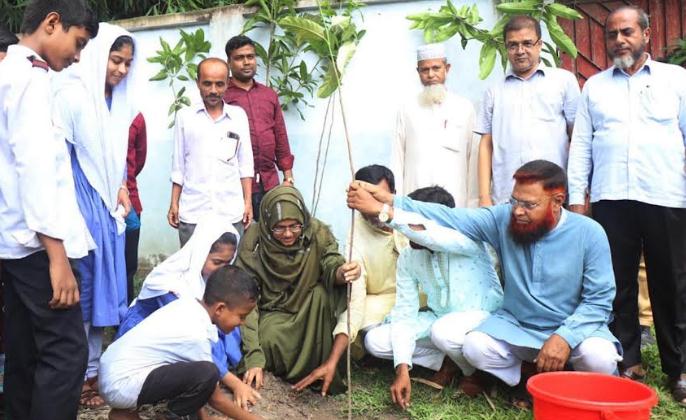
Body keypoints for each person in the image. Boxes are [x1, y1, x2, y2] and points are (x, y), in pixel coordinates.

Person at [348, 160, 621, 408]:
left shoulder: (590, 233)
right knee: (475, 346)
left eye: (529, 204)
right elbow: (448, 217)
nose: (518, 211)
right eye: (514, 201)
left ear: (557, 201)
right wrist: (389, 203)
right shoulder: (503, 219)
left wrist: (565, 337)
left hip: (572, 327)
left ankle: (568, 381)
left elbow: (599, 300)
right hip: (520, 326)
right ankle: (527, 379)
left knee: (601, 357)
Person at [567, 5, 686, 405]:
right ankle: (628, 362)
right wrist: (577, 200)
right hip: (611, 198)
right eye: (612, 34)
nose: (619, 40)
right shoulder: (595, 87)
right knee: (616, 284)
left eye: (627, 32)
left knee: (672, 283)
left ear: (646, 35)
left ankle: (680, 369)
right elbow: (581, 144)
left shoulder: (677, 80)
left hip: (666, 195)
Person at [0, 1, 98, 418]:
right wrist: (57, 256)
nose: (77, 56)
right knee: (66, 354)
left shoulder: (8, 74)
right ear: (52, 23)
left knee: (25, 350)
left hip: (15, 242)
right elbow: (36, 168)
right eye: (78, 43)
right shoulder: (31, 78)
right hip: (38, 246)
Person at [52, 23, 141, 408]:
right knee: (82, 295)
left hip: (106, 209)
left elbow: (115, 158)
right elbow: (62, 158)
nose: (121, 70)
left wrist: (120, 185)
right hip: (78, 207)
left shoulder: (116, 102)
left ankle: (91, 373)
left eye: (127, 64)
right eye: (115, 60)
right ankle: (76, 375)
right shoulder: (71, 94)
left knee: (103, 294)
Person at [364, 186, 503, 409]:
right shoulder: (409, 256)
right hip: (441, 323)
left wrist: (386, 212)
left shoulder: (467, 242)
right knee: (375, 341)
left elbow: (433, 236)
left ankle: (475, 374)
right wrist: (402, 368)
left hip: (484, 324)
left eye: (415, 223)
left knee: (444, 332)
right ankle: (450, 361)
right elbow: (405, 313)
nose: (409, 232)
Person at [117, 219, 261, 410]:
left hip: (190, 334)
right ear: (199, 253)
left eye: (228, 263)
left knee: (231, 318)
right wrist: (236, 384)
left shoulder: (209, 280)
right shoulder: (171, 284)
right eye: (217, 262)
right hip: (162, 338)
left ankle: (215, 373)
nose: (222, 269)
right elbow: (190, 339)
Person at [236, 186, 361, 395]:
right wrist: (254, 356)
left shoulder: (316, 232)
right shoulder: (254, 243)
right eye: (279, 228)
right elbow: (246, 299)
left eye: (294, 226)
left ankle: (321, 371)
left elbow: (330, 261)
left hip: (308, 308)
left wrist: (341, 272)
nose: (287, 234)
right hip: (273, 312)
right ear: (267, 224)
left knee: (322, 294)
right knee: (266, 341)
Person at [292, 165, 405, 394]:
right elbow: (355, 302)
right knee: (367, 333)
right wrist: (332, 362)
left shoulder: (408, 217)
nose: (372, 209)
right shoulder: (356, 236)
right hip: (383, 303)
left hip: (424, 300)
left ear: (391, 194)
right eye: (365, 200)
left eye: (377, 197)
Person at [99, 265, 261, 420]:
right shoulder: (196, 334)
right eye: (242, 316)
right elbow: (215, 398)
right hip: (120, 384)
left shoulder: (188, 305)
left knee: (201, 373)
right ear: (220, 309)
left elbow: (191, 379)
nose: (243, 323)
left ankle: (124, 415)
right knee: (208, 373)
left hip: (113, 374)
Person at [476, 16, 580, 206]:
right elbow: (486, 143)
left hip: (553, 193)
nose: (520, 51)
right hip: (506, 196)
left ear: (539, 44)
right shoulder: (494, 91)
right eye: (513, 45)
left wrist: (578, 190)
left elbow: (577, 138)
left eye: (527, 43)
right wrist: (484, 197)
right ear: (506, 48)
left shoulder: (564, 81)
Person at [169, 57, 254, 245]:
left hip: (230, 211)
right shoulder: (185, 117)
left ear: (227, 84)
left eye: (219, 84)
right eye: (207, 84)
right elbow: (179, 166)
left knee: (228, 271)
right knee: (192, 269)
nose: (213, 90)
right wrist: (174, 203)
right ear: (198, 83)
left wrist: (247, 202)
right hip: (193, 212)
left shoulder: (238, 116)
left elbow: (245, 164)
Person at [391, 43, 479, 208]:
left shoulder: (464, 108)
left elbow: (473, 159)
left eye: (436, 68)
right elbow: (398, 158)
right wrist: (398, 204)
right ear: (418, 72)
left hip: (456, 199)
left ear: (447, 68)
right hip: (414, 196)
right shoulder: (407, 109)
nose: (431, 74)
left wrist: (473, 205)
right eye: (425, 70)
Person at [224, 35, 295, 218]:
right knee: (240, 240)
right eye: (239, 58)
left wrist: (288, 177)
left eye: (250, 57)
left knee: (271, 235)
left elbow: (280, 136)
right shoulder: (223, 97)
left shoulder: (269, 95)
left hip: (269, 182)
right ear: (229, 62)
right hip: (235, 185)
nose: (246, 62)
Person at [124, 112, 147, 304]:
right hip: (95, 203)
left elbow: (139, 159)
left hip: (129, 199)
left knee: (128, 266)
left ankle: (122, 322)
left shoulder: (135, 116)